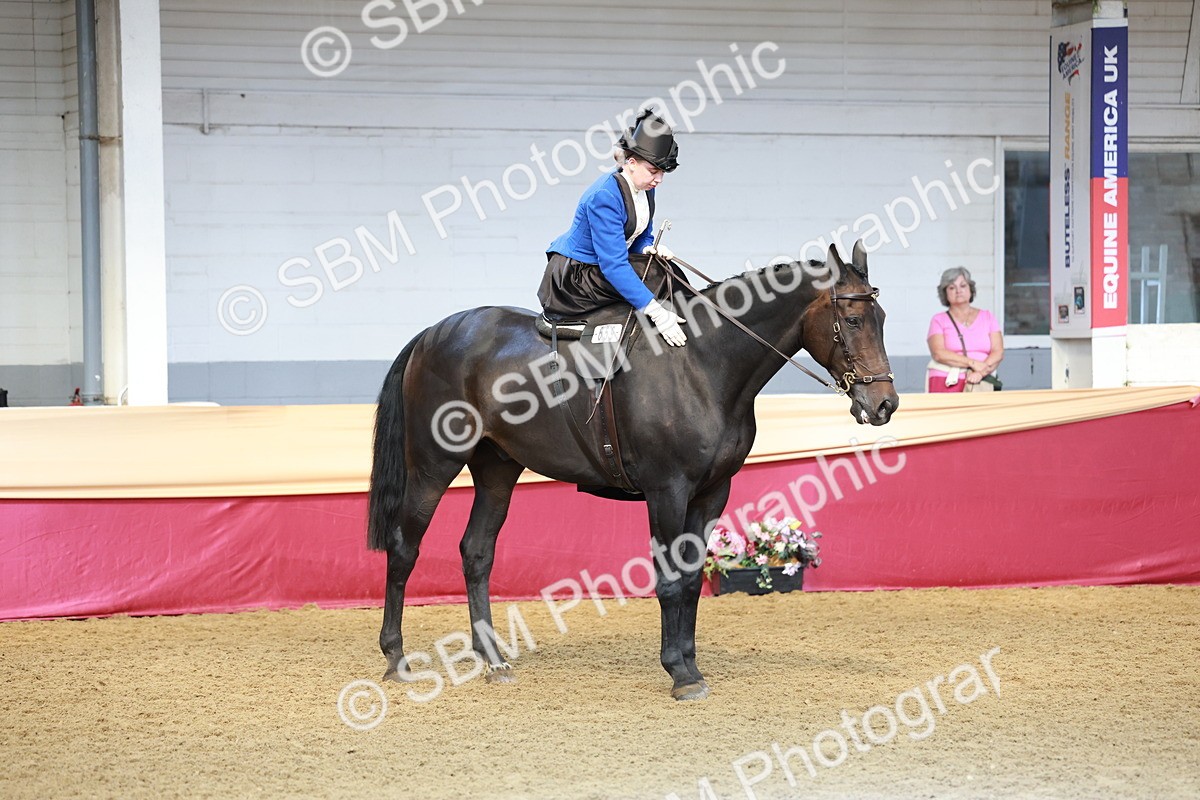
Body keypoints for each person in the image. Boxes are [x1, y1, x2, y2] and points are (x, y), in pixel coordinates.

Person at [537, 109, 687, 346]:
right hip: (576, 277)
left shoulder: (647, 188)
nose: (659, 179)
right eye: (653, 171)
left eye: (662, 173)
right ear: (631, 162)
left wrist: (649, 248)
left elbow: (642, 235)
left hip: (603, 267)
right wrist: (657, 312)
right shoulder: (604, 196)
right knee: (656, 279)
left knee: (668, 271)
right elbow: (613, 265)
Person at [926, 267, 1004, 392]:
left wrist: (980, 373)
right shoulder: (938, 320)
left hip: (981, 381)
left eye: (963, 285)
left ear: (970, 289)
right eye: (952, 287)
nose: (958, 291)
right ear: (944, 293)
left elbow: (998, 352)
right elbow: (938, 353)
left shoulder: (987, 317)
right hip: (946, 381)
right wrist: (972, 363)